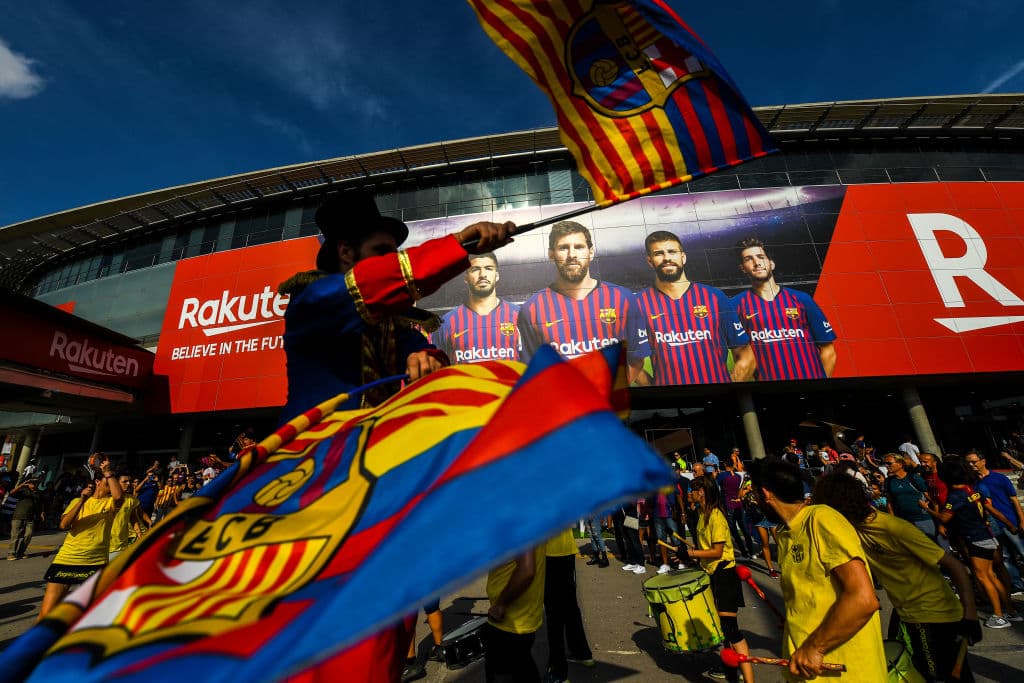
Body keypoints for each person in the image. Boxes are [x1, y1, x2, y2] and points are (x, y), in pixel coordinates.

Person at [278, 190, 514, 419]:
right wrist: (460, 243)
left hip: (371, 439)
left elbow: (423, 349)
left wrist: (426, 357)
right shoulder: (315, 298)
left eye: (394, 253)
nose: (391, 259)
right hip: (315, 440)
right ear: (346, 252)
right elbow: (378, 278)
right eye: (382, 252)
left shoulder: (390, 323)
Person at [814, 471, 982, 682]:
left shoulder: (893, 528)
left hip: (931, 615)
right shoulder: (854, 529)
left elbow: (955, 566)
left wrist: (971, 615)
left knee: (938, 677)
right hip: (907, 613)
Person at [747, 458, 886, 681]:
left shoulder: (821, 518)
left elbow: (863, 599)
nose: (754, 501)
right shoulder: (785, 533)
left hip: (846, 674)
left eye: (754, 494)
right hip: (808, 672)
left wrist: (815, 647)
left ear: (765, 493)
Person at [516, 221, 647, 380]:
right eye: (563, 248)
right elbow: (532, 374)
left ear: (591, 252)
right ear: (551, 254)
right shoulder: (531, 309)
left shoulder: (623, 298)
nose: (572, 255)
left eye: (579, 247)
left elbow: (636, 360)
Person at [633, 230, 754, 385]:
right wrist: (655, 391)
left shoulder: (715, 297)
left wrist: (726, 390)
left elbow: (745, 352)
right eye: (659, 253)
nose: (667, 258)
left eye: (672, 252)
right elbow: (628, 361)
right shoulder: (637, 304)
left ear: (683, 257)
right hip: (670, 399)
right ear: (650, 261)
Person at [680, 476, 755, 683]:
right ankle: (731, 671)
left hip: (724, 575)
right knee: (724, 630)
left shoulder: (716, 516)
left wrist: (691, 553)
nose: (689, 494)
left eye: (692, 490)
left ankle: (749, 679)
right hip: (713, 573)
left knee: (731, 629)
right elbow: (705, 550)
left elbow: (717, 551)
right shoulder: (701, 514)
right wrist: (689, 555)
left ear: (702, 492)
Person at [732, 237, 837, 381]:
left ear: (771, 263)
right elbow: (740, 356)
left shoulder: (802, 299)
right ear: (742, 268)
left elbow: (828, 352)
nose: (757, 263)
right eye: (748, 259)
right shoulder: (735, 305)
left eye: (761, 257)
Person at [937, 459, 1020, 628]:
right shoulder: (972, 489)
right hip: (986, 535)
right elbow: (990, 508)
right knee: (991, 575)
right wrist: (1010, 524)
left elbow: (945, 518)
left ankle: (998, 616)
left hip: (976, 538)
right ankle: (1010, 611)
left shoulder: (955, 496)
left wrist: (927, 508)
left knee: (983, 576)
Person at [39, 456, 123, 619]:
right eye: (107, 481)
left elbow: (118, 497)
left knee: (85, 614)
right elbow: (64, 525)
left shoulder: (111, 503)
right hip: (67, 559)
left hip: (94, 562)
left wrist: (107, 472)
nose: (113, 485)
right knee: (46, 613)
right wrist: (82, 500)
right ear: (98, 482)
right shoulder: (78, 500)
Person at [431, 252, 521, 364]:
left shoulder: (520, 316)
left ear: (497, 275)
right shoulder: (446, 323)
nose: (482, 274)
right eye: (475, 269)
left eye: (488, 268)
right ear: (466, 277)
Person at [484, 546, 546, 683]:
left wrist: (501, 604)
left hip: (509, 621)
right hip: (523, 616)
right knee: (523, 668)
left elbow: (527, 571)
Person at [967, 449, 1024, 594]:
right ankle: (1017, 584)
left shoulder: (999, 478)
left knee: (1022, 550)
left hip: (1010, 521)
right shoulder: (972, 483)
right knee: (1005, 557)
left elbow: (1015, 500)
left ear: (983, 461)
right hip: (992, 526)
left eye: (974, 462)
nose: (971, 465)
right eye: (968, 463)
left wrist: (1022, 520)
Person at [543, 529, 594, 683]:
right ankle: (581, 652)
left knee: (554, 611)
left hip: (550, 552)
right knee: (570, 605)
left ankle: (557, 670)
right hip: (565, 549)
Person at [883, 453, 937, 541]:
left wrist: (932, 512)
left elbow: (930, 498)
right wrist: (893, 521)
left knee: (932, 544)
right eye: (885, 463)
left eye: (889, 463)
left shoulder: (914, 477)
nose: (886, 466)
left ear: (900, 464)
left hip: (922, 519)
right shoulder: (888, 482)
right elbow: (889, 502)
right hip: (904, 521)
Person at [717, 458, 753, 558]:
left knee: (733, 529)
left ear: (725, 465)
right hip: (738, 503)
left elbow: (717, 485)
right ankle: (751, 551)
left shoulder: (722, 475)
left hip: (728, 503)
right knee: (744, 528)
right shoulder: (737, 476)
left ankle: (744, 552)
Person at [109, 471, 145, 559]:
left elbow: (133, 518)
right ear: (116, 483)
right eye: (124, 481)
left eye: (129, 481)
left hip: (122, 545)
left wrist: (139, 534)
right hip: (106, 545)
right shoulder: (107, 498)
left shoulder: (131, 499)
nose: (128, 483)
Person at [7, 478, 43, 560]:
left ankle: (21, 552)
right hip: (18, 516)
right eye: (32, 483)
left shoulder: (38, 493)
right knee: (15, 535)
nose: (34, 484)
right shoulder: (23, 491)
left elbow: (41, 504)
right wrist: (22, 485)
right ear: (28, 484)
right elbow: (12, 492)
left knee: (28, 535)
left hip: (30, 518)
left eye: (36, 483)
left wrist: (42, 512)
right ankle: (11, 553)